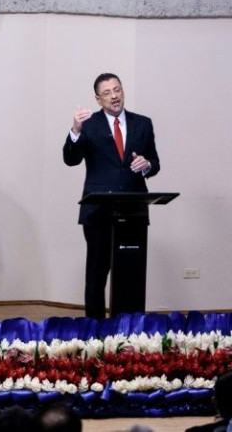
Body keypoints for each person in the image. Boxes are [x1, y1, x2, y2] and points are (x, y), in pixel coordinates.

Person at [63, 73, 160, 319]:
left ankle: (130, 328)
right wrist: (75, 129)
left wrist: (146, 164)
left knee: (131, 272)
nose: (114, 96)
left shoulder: (143, 123)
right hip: (98, 212)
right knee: (97, 273)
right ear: (98, 99)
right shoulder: (89, 125)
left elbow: (155, 163)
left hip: (133, 210)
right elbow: (71, 159)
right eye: (107, 93)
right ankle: (94, 331)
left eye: (117, 90)